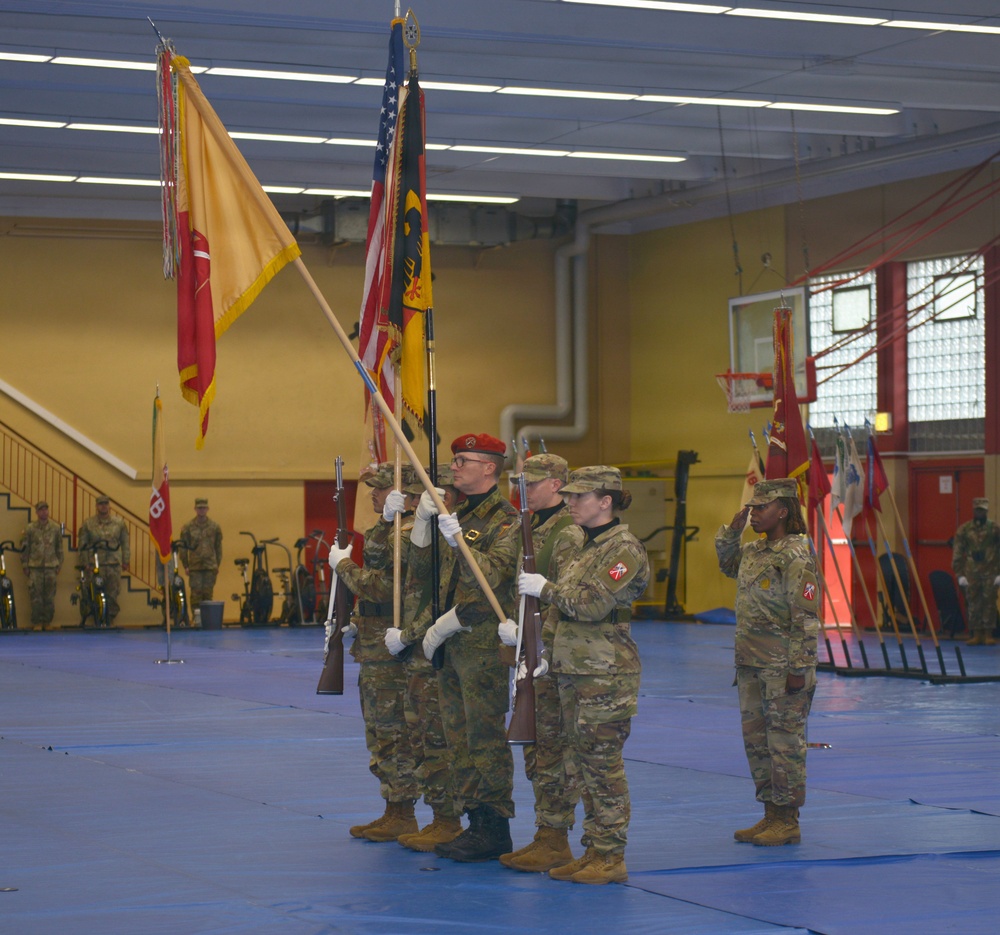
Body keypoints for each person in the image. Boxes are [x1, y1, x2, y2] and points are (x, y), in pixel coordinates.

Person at [390, 433, 519, 862]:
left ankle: (494, 826)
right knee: (457, 738)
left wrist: (457, 540)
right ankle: (472, 820)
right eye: (456, 460)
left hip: (482, 646)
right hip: (450, 647)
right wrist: (424, 529)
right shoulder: (457, 513)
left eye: (465, 460)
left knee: (484, 739)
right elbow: (425, 576)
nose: (456, 467)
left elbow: (493, 580)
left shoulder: (508, 522)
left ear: (490, 468)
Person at [518, 465, 648, 885]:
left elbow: (592, 605)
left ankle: (611, 856)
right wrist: (539, 651)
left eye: (580, 497)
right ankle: (593, 849)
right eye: (570, 496)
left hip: (604, 673)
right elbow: (562, 611)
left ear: (605, 501)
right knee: (580, 765)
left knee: (603, 765)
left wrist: (546, 589)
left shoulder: (624, 549)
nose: (571, 503)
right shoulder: (579, 546)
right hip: (570, 668)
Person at [716, 478, 820, 849]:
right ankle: (771, 813)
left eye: (762, 507)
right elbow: (727, 564)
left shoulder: (796, 554)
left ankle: (788, 819)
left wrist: (798, 668)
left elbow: (806, 617)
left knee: (785, 744)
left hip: (782, 667)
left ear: (784, 510)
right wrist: (732, 529)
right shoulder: (755, 552)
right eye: (753, 507)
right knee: (758, 743)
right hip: (751, 663)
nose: (755, 513)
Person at [498, 453, 585, 873]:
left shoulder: (567, 533)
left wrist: (536, 644)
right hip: (528, 651)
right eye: (521, 484)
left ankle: (556, 837)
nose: (524, 491)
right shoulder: (531, 526)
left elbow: (564, 599)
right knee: (536, 748)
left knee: (553, 750)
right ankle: (545, 834)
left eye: (531, 484)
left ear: (556, 484)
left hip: (550, 654)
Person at [328, 462, 419, 843]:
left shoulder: (410, 532)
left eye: (380, 488)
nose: (373, 494)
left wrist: (344, 566)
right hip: (373, 643)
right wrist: (351, 619)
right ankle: (393, 808)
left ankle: (403, 811)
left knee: (393, 730)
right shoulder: (390, 529)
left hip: (390, 649)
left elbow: (383, 588)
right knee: (379, 731)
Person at [388, 467, 463, 853]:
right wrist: (399, 523)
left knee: (438, 737)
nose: (416, 503)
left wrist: (412, 633)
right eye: (413, 498)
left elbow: (440, 595)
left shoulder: (458, 533)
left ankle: (449, 819)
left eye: (421, 497)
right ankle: (439, 816)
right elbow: (411, 574)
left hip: (445, 646)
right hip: (420, 648)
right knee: (421, 734)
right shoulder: (425, 531)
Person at [952, 497, 1000, 646]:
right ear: (974, 510)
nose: (980, 512)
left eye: (983, 510)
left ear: (987, 511)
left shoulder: (995, 529)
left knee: (989, 602)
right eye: (978, 510)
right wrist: (959, 574)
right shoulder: (964, 529)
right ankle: (976, 633)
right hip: (971, 571)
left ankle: (988, 634)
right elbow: (958, 552)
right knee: (973, 602)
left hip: (991, 571)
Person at [78, 495, 129, 624]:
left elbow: (125, 543)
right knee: (94, 593)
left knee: (112, 594)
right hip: (95, 565)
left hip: (113, 564)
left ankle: (109, 620)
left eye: (106, 503)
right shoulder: (88, 524)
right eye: (101, 504)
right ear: (96, 506)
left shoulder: (119, 523)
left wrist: (125, 560)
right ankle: (97, 620)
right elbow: (82, 545)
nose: (103, 506)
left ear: (109, 505)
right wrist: (85, 563)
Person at [20, 501, 64, 629]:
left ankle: (47, 622)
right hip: (35, 567)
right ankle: (37, 622)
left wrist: (59, 564)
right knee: (36, 597)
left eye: (46, 509)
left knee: (49, 597)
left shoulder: (55, 528)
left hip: (51, 567)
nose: (44, 512)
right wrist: (24, 565)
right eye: (41, 510)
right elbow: (24, 548)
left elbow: (59, 548)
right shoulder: (30, 528)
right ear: (37, 512)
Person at [179, 498, 223, 615]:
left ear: (208, 509)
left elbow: (218, 547)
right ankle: (197, 619)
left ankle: (208, 620)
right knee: (196, 595)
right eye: (199, 508)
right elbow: (183, 547)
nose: (202, 510)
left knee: (208, 595)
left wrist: (217, 564)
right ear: (195, 509)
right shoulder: (188, 527)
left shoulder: (215, 527)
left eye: (204, 508)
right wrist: (186, 565)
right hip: (195, 567)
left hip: (210, 566)